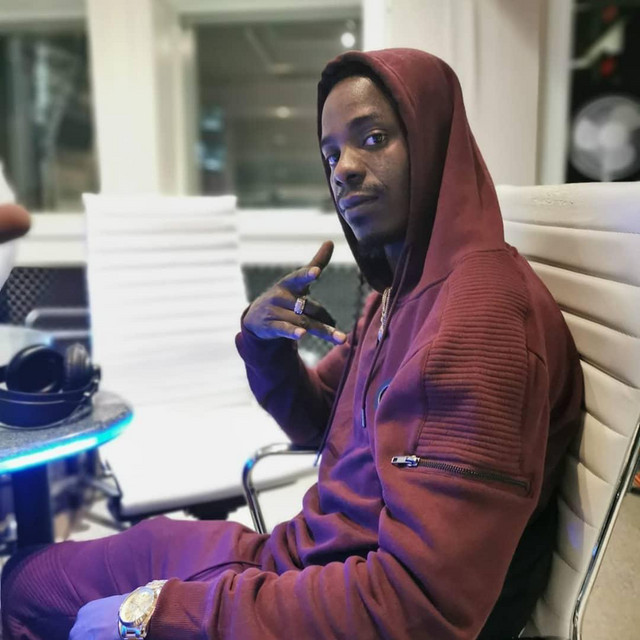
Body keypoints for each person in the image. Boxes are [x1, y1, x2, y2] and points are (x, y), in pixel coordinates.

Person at [1, 48, 583, 640]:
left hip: (335, 592)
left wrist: (161, 613)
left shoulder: (480, 320)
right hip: (298, 558)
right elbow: (316, 423)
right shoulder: (399, 292)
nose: (343, 169)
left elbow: (416, 608)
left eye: (374, 138)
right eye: (331, 154)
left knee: (30, 598)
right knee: (30, 578)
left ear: (433, 143)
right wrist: (265, 345)